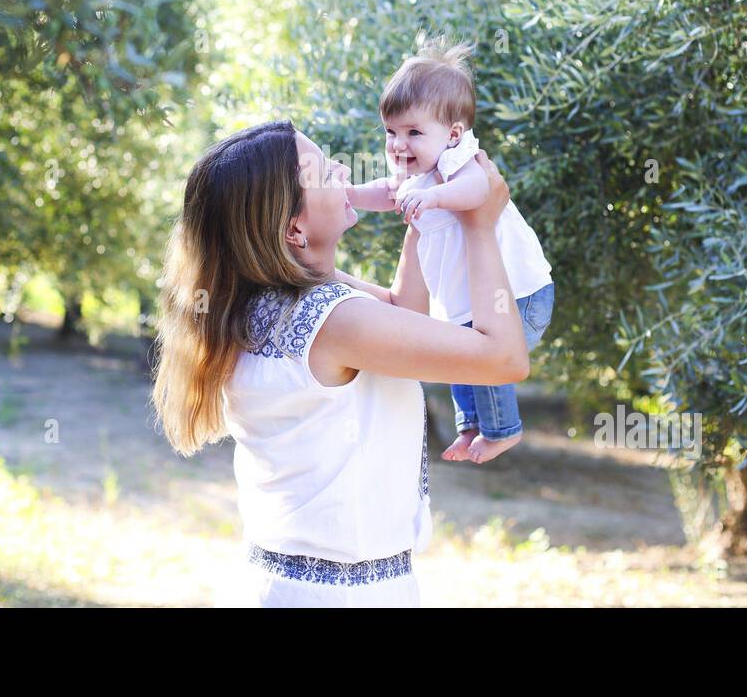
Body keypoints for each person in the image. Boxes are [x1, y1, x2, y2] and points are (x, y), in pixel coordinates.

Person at [152, 119, 529, 606]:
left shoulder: (264, 300)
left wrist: (424, 217)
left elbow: (402, 317)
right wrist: (479, 225)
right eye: (324, 172)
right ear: (294, 228)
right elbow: (503, 358)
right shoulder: (333, 320)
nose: (343, 169)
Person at [346, 36, 554, 463]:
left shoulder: (460, 160)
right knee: (461, 353)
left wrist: (438, 198)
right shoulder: (418, 170)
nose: (398, 144)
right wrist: (347, 194)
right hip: (473, 307)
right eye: (391, 132)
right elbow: (386, 193)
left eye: (413, 133)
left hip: (521, 295)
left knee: (482, 359)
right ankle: (470, 426)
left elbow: (480, 189)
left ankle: (503, 430)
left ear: (453, 133)